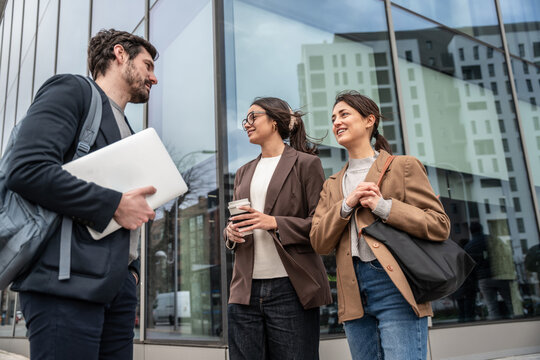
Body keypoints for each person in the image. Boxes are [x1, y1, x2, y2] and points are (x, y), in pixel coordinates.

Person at [6, 29, 158, 359]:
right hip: (66, 285)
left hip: (116, 287)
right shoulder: (72, 90)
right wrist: (114, 204)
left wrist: (131, 275)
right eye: (147, 65)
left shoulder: (127, 129)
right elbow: (26, 168)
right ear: (120, 55)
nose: (154, 77)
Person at [310, 91, 450, 360]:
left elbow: (439, 223)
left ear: (369, 120)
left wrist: (383, 206)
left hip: (394, 284)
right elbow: (319, 241)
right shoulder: (332, 184)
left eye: (344, 114)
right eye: (333, 118)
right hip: (351, 291)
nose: (336, 122)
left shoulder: (403, 167)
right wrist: (346, 204)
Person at [224, 97, 332, 360]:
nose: (246, 125)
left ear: (274, 121)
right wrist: (230, 233)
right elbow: (241, 220)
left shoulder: (306, 164)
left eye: (253, 117)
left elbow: (321, 225)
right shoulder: (242, 172)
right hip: (244, 289)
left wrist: (275, 222)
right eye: (245, 120)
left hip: (290, 288)